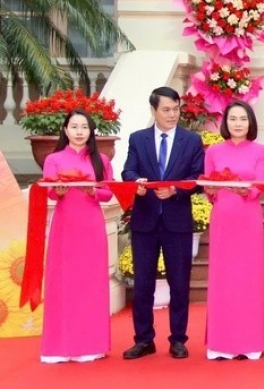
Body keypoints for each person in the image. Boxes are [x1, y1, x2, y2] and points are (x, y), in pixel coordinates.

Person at [121, 86, 205, 360]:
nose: (172, 114)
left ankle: (178, 339)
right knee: (142, 284)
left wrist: (176, 192)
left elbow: (197, 177)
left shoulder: (191, 141)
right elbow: (128, 170)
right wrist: (137, 184)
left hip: (177, 222)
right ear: (153, 110)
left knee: (179, 284)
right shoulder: (138, 139)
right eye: (166, 110)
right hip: (145, 222)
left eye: (176, 109)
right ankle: (144, 339)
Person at [39, 110, 114, 363]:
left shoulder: (100, 159)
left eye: (84, 127)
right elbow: (49, 192)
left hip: (91, 227)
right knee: (62, 283)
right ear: (65, 130)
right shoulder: (54, 159)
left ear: (91, 131)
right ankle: (58, 347)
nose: (80, 131)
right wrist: (59, 191)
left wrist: (92, 190)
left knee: (90, 284)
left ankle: (90, 345)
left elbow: (108, 193)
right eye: (74, 126)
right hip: (65, 227)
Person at [203, 101, 264, 360]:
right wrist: (210, 191)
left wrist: (247, 190)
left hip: (248, 217)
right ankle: (220, 344)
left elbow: (259, 184)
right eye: (233, 119)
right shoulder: (213, 151)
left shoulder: (261, 151)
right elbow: (207, 184)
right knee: (222, 278)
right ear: (225, 122)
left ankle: (250, 342)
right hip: (222, 218)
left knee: (248, 279)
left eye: (243, 119)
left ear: (250, 122)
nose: (238, 123)